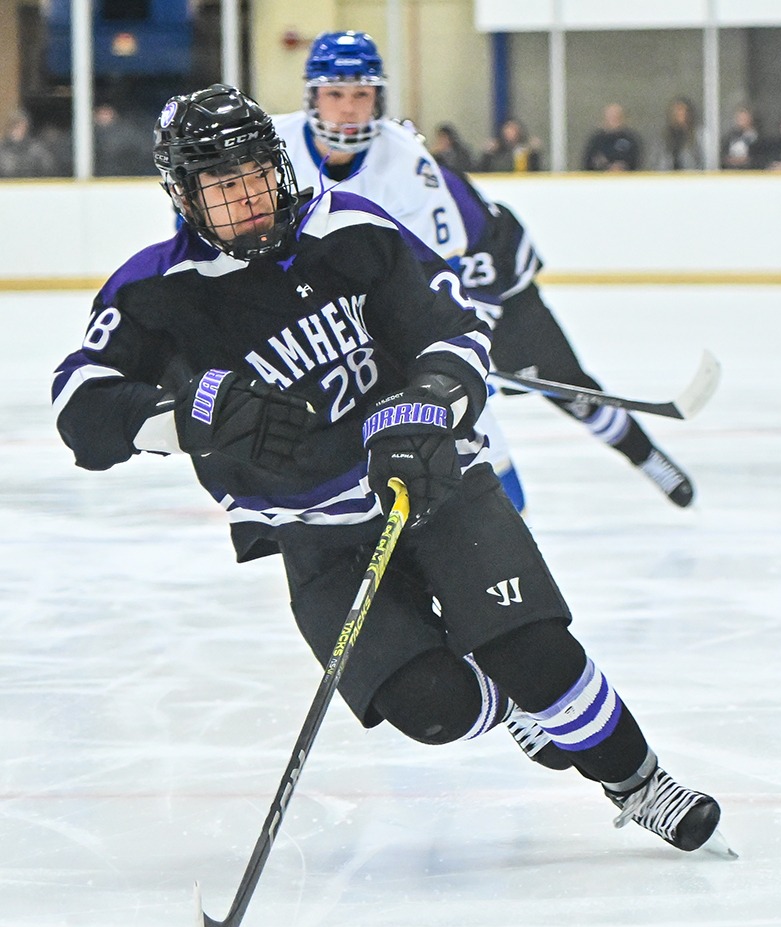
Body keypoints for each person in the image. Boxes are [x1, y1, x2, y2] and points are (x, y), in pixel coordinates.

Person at [49, 85, 723, 854]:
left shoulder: (349, 227)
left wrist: (427, 404)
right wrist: (189, 413)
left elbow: (457, 332)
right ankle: (517, 711)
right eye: (223, 186)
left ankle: (640, 783)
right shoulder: (152, 291)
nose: (249, 199)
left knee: (534, 653)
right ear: (182, 195)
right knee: (431, 708)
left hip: (431, 489)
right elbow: (82, 410)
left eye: (256, 174)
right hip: (317, 537)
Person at [278, 31, 696, 510]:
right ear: (312, 96)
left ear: (378, 97)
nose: (348, 108)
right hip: (405, 296)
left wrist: (466, 344)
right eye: (335, 94)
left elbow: (459, 269)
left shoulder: (409, 165)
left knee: (565, 387)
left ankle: (645, 460)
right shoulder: (277, 148)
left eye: (361, 94)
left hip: (494, 279)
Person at [581, 103, 641, 172]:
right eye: (611, 117)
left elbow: (636, 162)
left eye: (617, 117)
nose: (613, 120)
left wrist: (620, 168)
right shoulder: (596, 140)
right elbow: (587, 164)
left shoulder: (631, 139)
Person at [0, 112, 62, 178]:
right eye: (16, 125)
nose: (20, 129)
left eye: (22, 126)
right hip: (7, 187)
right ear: (9, 127)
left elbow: (50, 169)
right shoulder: (2, 150)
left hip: (33, 186)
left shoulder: (37, 149)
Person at [659, 97, 701, 171]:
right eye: (675, 110)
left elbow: (705, 161)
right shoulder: (665, 136)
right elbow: (659, 161)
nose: (677, 113)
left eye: (680, 110)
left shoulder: (699, 135)